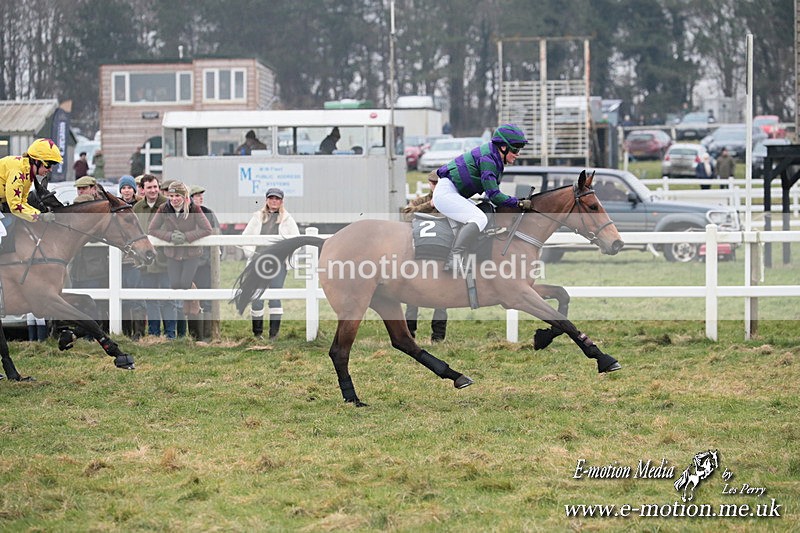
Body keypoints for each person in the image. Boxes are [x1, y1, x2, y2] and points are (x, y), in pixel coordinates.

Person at [432, 123, 528, 271]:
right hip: (446, 194)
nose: (518, 153)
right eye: (515, 149)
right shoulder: (488, 160)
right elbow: (494, 195)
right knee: (479, 218)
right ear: (503, 147)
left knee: (483, 213)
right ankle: (454, 259)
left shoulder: (492, 156)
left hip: (452, 192)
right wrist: (518, 203)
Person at [148, 181, 213, 341]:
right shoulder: (164, 209)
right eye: (171, 196)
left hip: (191, 254)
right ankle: (185, 324)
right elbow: (152, 229)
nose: (174, 199)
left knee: (185, 284)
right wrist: (170, 237)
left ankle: (195, 311)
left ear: (184, 197)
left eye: (177, 195)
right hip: (173, 253)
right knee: (175, 285)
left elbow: (207, 229)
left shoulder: (194, 209)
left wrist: (187, 237)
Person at [241, 187, 300, 340]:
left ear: (281, 201)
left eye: (277, 199)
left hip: (278, 264)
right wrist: (250, 253)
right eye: (271, 198)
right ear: (266, 200)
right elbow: (245, 237)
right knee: (257, 297)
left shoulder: (287, 219)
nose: (274, 201)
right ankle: (257, 333)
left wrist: (288, 258)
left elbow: (296, 241)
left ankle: (273, 335)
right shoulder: (257, 218)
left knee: (275, 297)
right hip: (258, 262)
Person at [402, 172, 448, 342]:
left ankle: (438, 337)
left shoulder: (450, 201)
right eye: (434, 183)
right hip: (420, 253)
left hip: (442, 252)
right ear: (430, 183)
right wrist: (429, 205)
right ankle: (409, 334)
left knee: (442, 296)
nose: (436, 186)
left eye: (440, 184)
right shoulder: (421, 201)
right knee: (412, 294)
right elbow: (406, 214)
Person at [133, 174, 178, 339]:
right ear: (143, 189)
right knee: (150, 299)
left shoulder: (168, 206)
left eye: (155, 187)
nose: (153, 190)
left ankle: (170, 334)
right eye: (149, 187)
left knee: (168, 298)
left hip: (165, 260)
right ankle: (153, 334)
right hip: (146, 261)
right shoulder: (137, 208)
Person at [0, 138, 62, 230]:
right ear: (36, 161)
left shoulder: (28, 173)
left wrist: (39, 213)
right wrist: (40, 216)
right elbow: (15, 206)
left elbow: (23, 202)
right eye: (48, 165)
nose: (50, 170)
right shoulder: (18, 172)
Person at [189, 185, 220, 341]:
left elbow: (216, 236)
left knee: (207, 298)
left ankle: (208, 335)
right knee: (191, 298)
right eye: (196, 195)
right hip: (189, 263)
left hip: (205, 263)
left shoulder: (209, 214)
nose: (200, 198)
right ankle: (195, 334)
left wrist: (214, 259)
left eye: (201, 195)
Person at [117, 175, 145, 339]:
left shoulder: (139, 206)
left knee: (136, 295)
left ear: (134, 189)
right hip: (120, 260)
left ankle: (139, 331)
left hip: (135, 259)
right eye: (123, 188)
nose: (126, 190)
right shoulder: (118, 207)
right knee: (123, 297)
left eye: (129, 187)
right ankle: (126, 332)